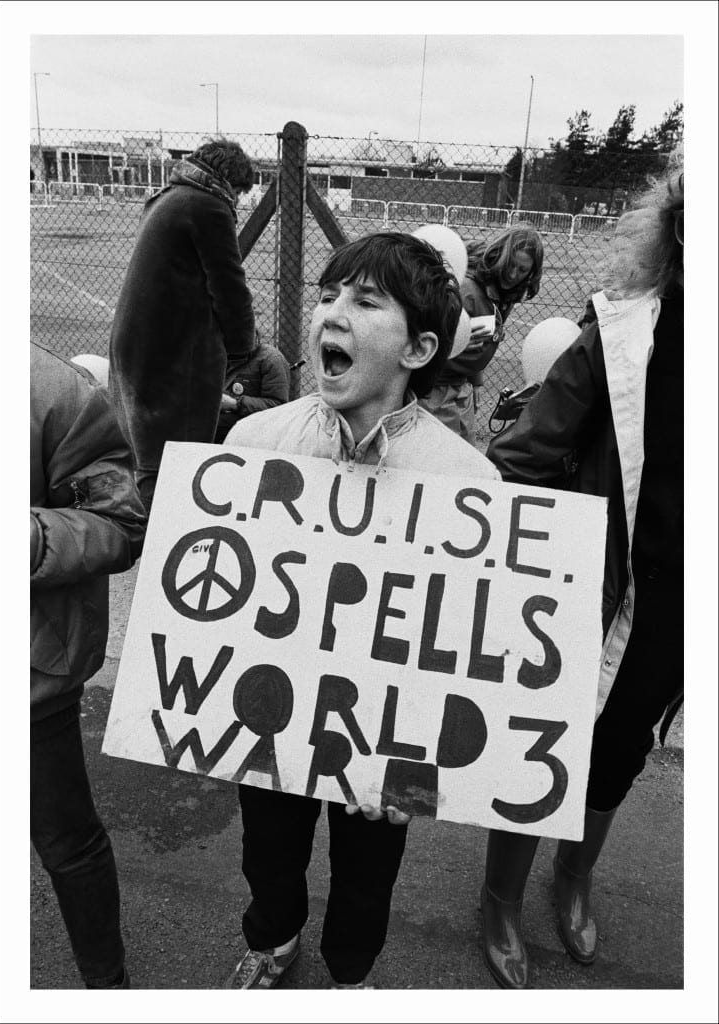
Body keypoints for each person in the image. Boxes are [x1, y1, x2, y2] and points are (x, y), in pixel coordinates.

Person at [222, 231, 501, 989]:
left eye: (365, 301)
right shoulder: (252, 443)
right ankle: (272, 942)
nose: (332, 314)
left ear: (419, 349)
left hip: (388, 747)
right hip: (271, 719)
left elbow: (464, 647)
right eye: (326, 296)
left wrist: (418, 777)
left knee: (369, 872)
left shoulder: (468, 483)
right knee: (267, 851)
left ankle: (351, 975)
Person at [480, 163, 684, 988]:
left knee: (622, 752)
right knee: (543, 747)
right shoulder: (625, 334)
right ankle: (498, 898)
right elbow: (518, 460)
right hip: (591, 594)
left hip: (679, 611)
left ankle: (574, 874)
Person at [30, 342, 147, 988]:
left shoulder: (55, 393)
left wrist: (33, 538)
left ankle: (107, 984)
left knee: (67, 844)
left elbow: (121, 523)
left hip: (29, 684)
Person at [108, 137, 257, 512]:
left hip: (140, 343)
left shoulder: (168, 196)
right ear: (229, 179)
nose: (237, 199)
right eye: (239, 191)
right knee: (177, 460)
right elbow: (229, 285)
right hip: (175, 352)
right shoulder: (207, 205)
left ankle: (144, 524)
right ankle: (164, 539)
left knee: (147, 450)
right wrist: (243, 346)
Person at [420, 223, 543, 443]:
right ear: (499, 257)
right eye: (510, 265)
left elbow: (482, 339)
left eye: (523, 270)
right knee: (443, 456)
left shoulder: (506, 294)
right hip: (435, 388)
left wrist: (475, 380)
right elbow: (423, 343)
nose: (514, 274)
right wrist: (454, 345)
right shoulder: (467, 292)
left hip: (461, 386)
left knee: (465, 450)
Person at [214, 333, 291, 443]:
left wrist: (234, 403)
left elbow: (278, 406)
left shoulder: (271, 359)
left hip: (254, 424)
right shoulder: (216, 354)